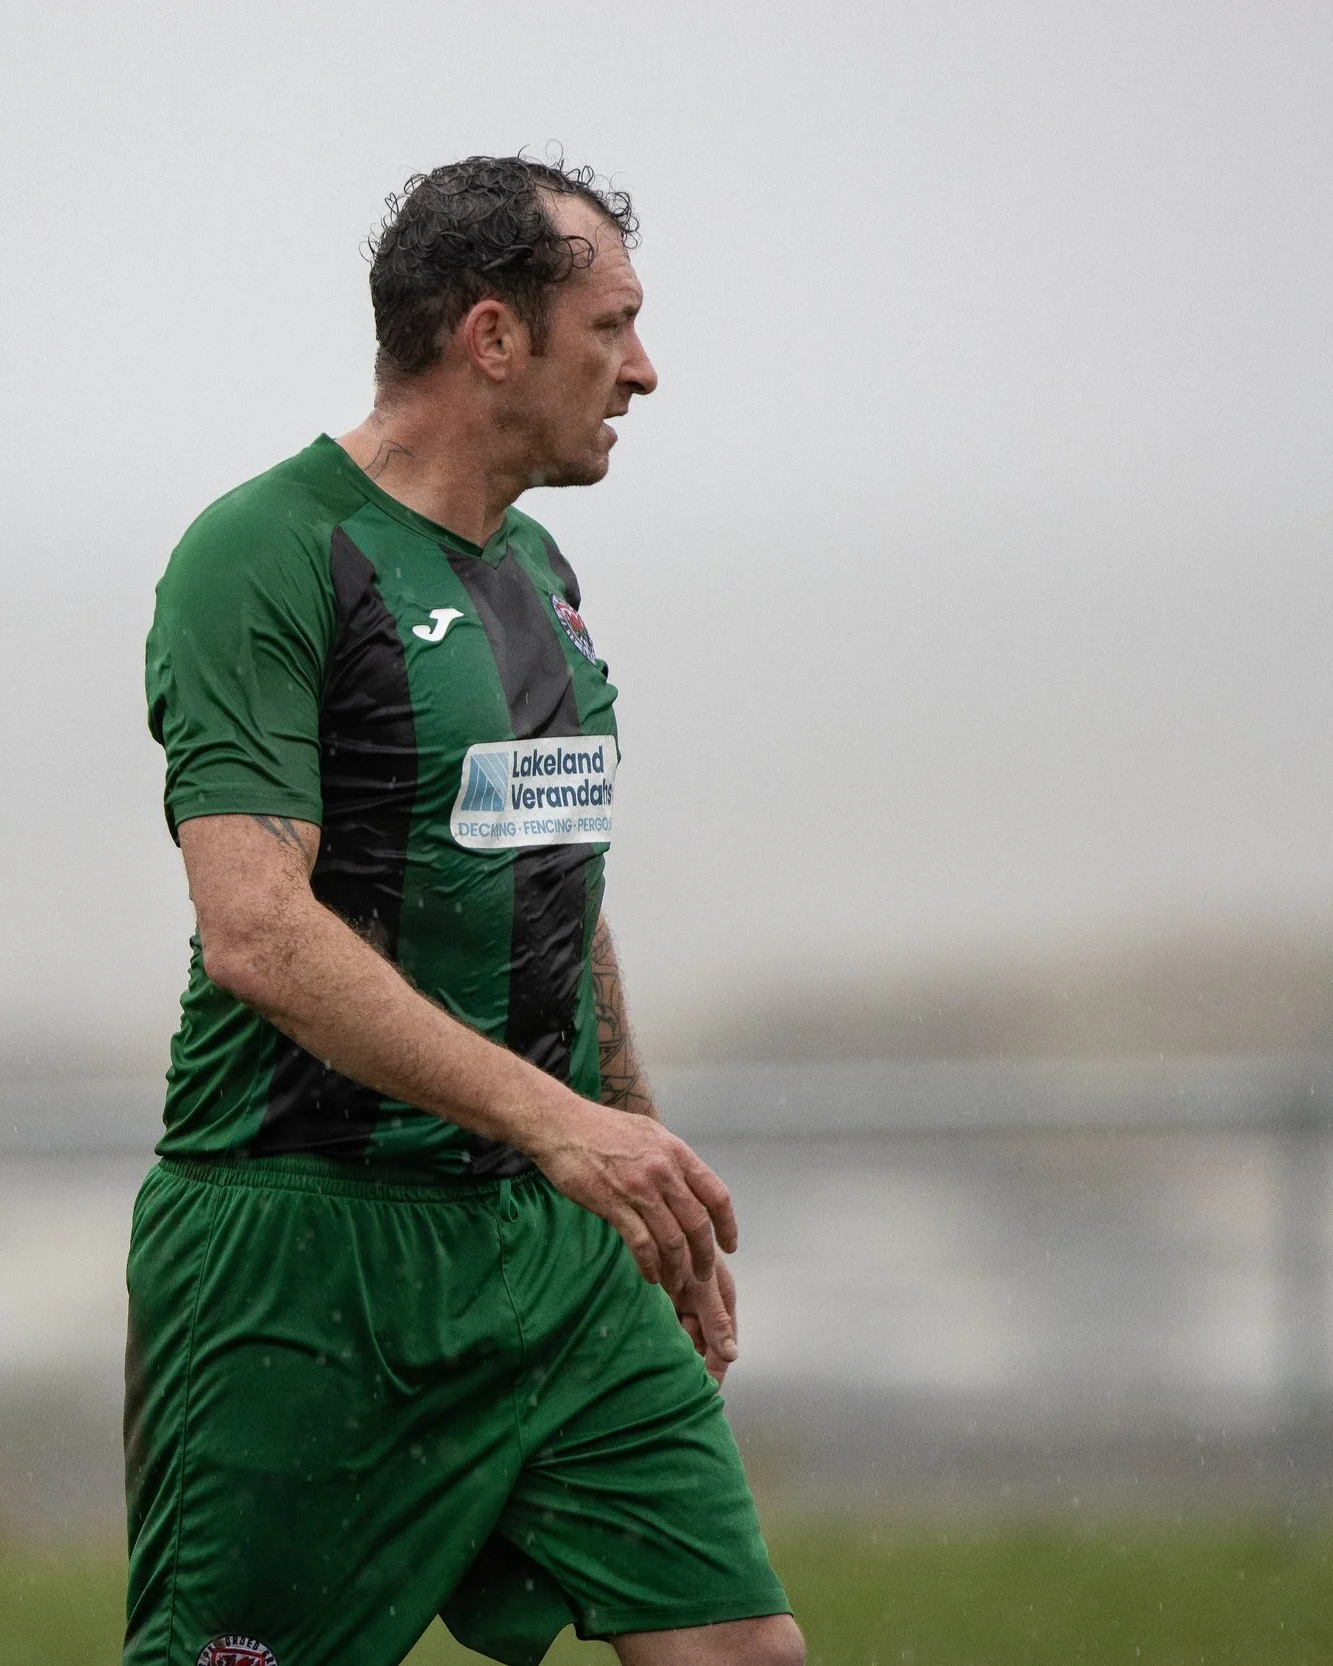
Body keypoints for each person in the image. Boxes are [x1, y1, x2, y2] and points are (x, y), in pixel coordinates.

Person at [129, 158, 802, 1666]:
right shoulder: (260, 555)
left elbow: (553, 878)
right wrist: (566, 1125)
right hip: (301, 1246)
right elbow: (257, 931)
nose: (643, 369)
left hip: (541, 1242)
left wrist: (635, 1167)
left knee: (739, 1648)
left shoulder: (541, 572)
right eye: (610, 326)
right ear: (492, 337)